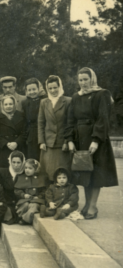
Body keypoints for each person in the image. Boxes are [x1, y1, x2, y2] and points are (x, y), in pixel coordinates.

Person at [65, 67, 118, 219]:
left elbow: (103, 118)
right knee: (85, 172)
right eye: (80, 80)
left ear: (92, 79)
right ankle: (87, 204)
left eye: (85, 79)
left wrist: (96, 140)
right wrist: (69, 140)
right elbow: (70, 120)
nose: (83, 83)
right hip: (80, 138)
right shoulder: (76, 97)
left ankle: (93, 206)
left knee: (96, 174)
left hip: (96, 138)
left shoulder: (102, 94)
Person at [38, 75, 72, 182]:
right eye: (50, 88)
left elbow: (69, 124)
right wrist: (42, 141)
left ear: (60, 87)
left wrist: (67, 141)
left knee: (62, 174)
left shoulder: (68, 101)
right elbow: (41, 123)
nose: (53, 90)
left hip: (62, 144)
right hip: (48, 145)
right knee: (47, 173)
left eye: (55, 87)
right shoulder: (44, 102)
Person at [0, 96, 26, 169]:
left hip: (18, 147)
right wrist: (6, 143)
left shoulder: (21, 115)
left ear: (14, 105)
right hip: (3, 149)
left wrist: (16, 142)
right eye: (6, 104)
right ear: (2, 106)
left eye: (10, 104)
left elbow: (25, 132)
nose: (8, 106)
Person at [0, 151, 26, 225]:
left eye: (18, 162)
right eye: (13, 162)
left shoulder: (25, 174)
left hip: (19, 202)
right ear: (10, 161)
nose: (16, 165)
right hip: (6, 200)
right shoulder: (2, 172)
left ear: (23, 162)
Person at [14, 159, 47, 225]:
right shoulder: (21, 177)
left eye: (30, 168)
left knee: (33, 206)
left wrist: (38, 196)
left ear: (35, 169)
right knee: (25, 205)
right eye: (26, 168)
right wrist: (23, 195)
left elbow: (44, 191)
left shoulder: (40, 178)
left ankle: (25, 219)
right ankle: (19, 216)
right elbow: (17, 190)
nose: (27, 170)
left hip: (36, 200)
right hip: (25, 199)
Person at [21, 78, 46, 160]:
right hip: (31, 134)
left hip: (43, 132)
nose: (32, 92)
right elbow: (24, 120)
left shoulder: (44, 101)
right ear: (26, 91)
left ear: (38, 89)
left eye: (34, 89)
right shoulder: (25, 103)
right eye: (29, 90)